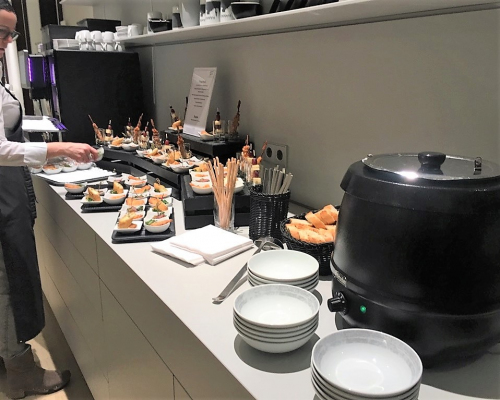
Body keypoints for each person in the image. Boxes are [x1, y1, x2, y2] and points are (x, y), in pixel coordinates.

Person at [0, 2, 98, 398]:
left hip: (8, 187)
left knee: (12, 271)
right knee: (7, 279)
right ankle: (20, 372)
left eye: (10, 33)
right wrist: (59, 149)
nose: (7, 41)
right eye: (2, 32)